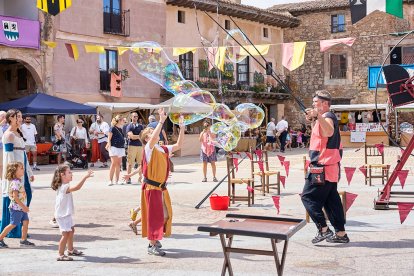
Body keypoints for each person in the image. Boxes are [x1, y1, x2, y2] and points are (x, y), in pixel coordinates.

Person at [302, 90, 349, 244]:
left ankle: (323, 229)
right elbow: (322, 137)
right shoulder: (325, 117)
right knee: (331, 200)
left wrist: (318, 116)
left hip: (322, 165)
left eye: (316, 103)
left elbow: (328, 132)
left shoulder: (328, 116)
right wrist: (313, 119)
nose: (314, 105)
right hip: (330, 165)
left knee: (307, 197)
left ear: (324, 104)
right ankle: (341, 233)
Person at [139, 108, 184, 256]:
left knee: (165, 215)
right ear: (146, 138)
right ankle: (152, 245)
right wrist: (161, 120)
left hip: (161, 188)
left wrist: (182, 128)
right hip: (152, 187)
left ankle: (155, 238)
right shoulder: (148, 148)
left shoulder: (162, 148)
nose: (154, 133)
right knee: (155, 217)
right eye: (151, 133)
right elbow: (153, 138)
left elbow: (178, 145)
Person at [1, 109, 34, 238]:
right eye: (17, 117)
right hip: (15, 174)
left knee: (27, 195)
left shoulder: (18, 133)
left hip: (22, 171)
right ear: (10, 119)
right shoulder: (8, 135)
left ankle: (20, 227)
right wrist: (14, 175)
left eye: (20, 116)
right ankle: (12, 229)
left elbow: (24, 155)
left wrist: (29, 171)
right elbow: (9, 158)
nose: (20, 119)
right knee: (16, 198)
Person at [51, 164, 94, 261]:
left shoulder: (63, 185)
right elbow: (77, 188)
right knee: (65, 234)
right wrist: (85, 177)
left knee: (71, 230)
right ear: (62, 175)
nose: (71, 174)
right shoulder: (64, 187)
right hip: (62, 215)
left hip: (65, 213)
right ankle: (60, 255)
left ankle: (70, 250)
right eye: (69, 172)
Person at [0, 162, 35, 248]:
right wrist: (24, 207)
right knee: (13, 224)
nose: (23, 170)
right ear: (14, 171)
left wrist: (23, 207)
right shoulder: (15, 183)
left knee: (26, 222)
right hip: (16, 208)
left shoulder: (18, 181)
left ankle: (23, 240)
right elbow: (15, 197)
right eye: (21, 168)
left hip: (21, 208)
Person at [106, 115, 125, 186]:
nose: (124, 121)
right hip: (114, 147)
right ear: (119, 120)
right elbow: (109, 138)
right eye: (123, 120)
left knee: (118, 164)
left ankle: (117, 180)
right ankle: (110, 180)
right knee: (114, 163)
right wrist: (110, 147)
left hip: (121, 147)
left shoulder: (120, 129)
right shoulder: (112, 128)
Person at [126, 112, 144, 184]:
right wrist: (139, 136)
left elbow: (143, 136)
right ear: (131, 117)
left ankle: (140, 178)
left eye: (136, 116)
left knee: (141, 163)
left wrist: (137, 136)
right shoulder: (129, 126)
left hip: (140, 146)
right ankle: (128, 178)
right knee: (130, 163)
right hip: (132, 146)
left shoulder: (140, 126)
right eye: (134, 116)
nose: (135, 118)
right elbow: (132, 137)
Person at [0, 110, 8, 178]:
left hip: (3, 147)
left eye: (5, 116)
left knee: (2, 164)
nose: (4, 118)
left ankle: (2, 179)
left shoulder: (8, 126)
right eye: (2, 116)